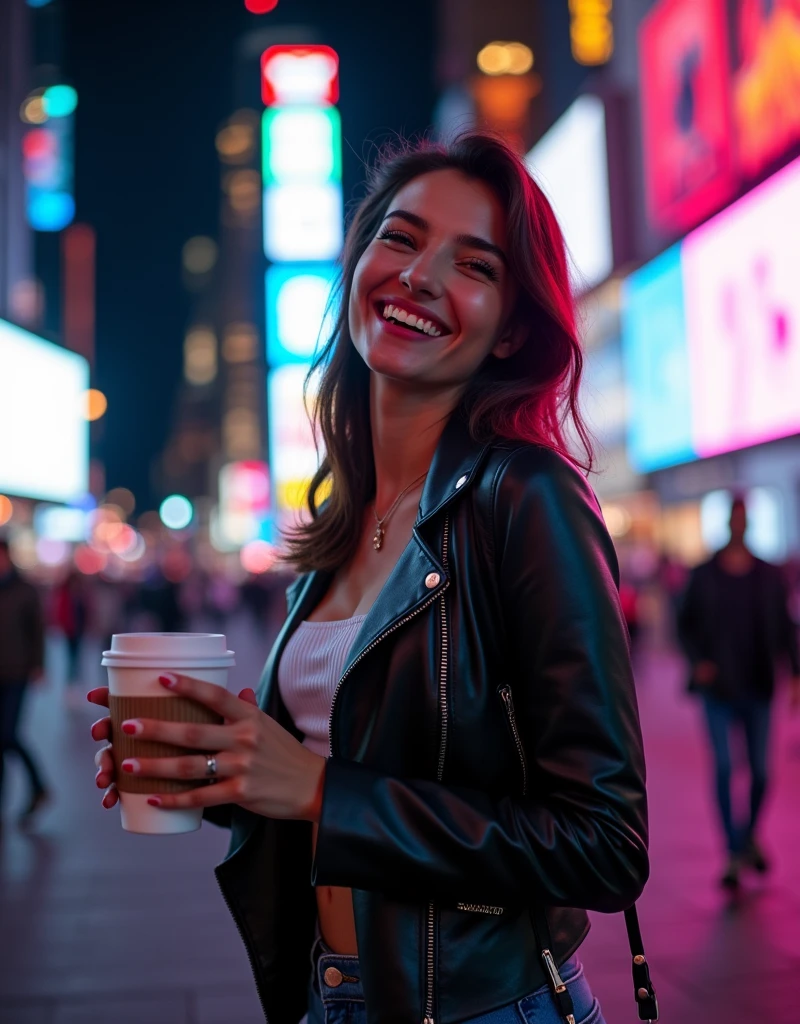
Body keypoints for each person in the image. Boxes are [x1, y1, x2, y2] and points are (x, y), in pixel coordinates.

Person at [90, 133, 649, 1024]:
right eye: (400, 237)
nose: (419, 275)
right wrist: (224, 767)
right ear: (358, 265)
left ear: (511, 325)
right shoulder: (347, 519)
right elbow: (338, 777)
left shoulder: (527, 497)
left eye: (473, 263)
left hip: (485, 1008)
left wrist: (317, 790)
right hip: (336, 995)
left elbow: (605, 846)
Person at [678, 496, 800, 891]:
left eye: (745, 518)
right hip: (718, 688)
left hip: (760, 685)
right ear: (727, 523)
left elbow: (785, 627)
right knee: (727, 768)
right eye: (734, 518)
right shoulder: (704, 573)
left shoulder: (768, 574)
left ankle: (746, 837)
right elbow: (685, 625)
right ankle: (733, 851)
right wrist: (698, 660)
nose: (739, 525)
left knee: (762, 772)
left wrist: (796, 675)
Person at [0, 538, 49, 829]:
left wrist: (38, 666)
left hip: (17, 673)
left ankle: (38, 786)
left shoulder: (24, 591)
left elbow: (37, 631)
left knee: (7, 735)